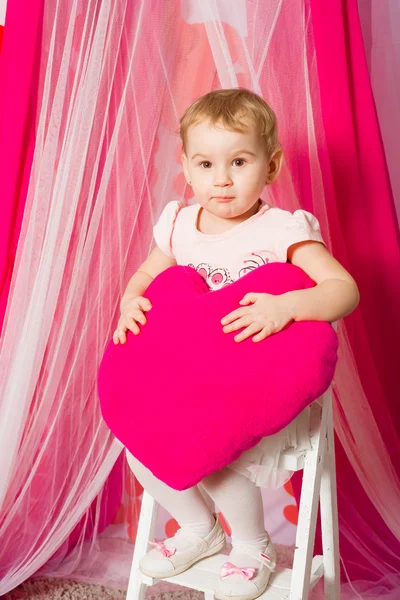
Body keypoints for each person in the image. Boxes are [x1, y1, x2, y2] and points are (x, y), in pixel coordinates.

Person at [113, 88, 359, 600]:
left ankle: (253, 544)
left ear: (269, 166)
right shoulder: (180, 225)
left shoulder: (280, 231)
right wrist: (131, 301)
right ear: (185, 164)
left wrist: (285, 306)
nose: (220, 179)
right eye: (205, 163)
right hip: (193, 387)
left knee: (216, 451)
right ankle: (201, 528)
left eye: (239, 161)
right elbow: (144, 278)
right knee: (138, 446)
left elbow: (344, 290)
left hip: (258, 388)